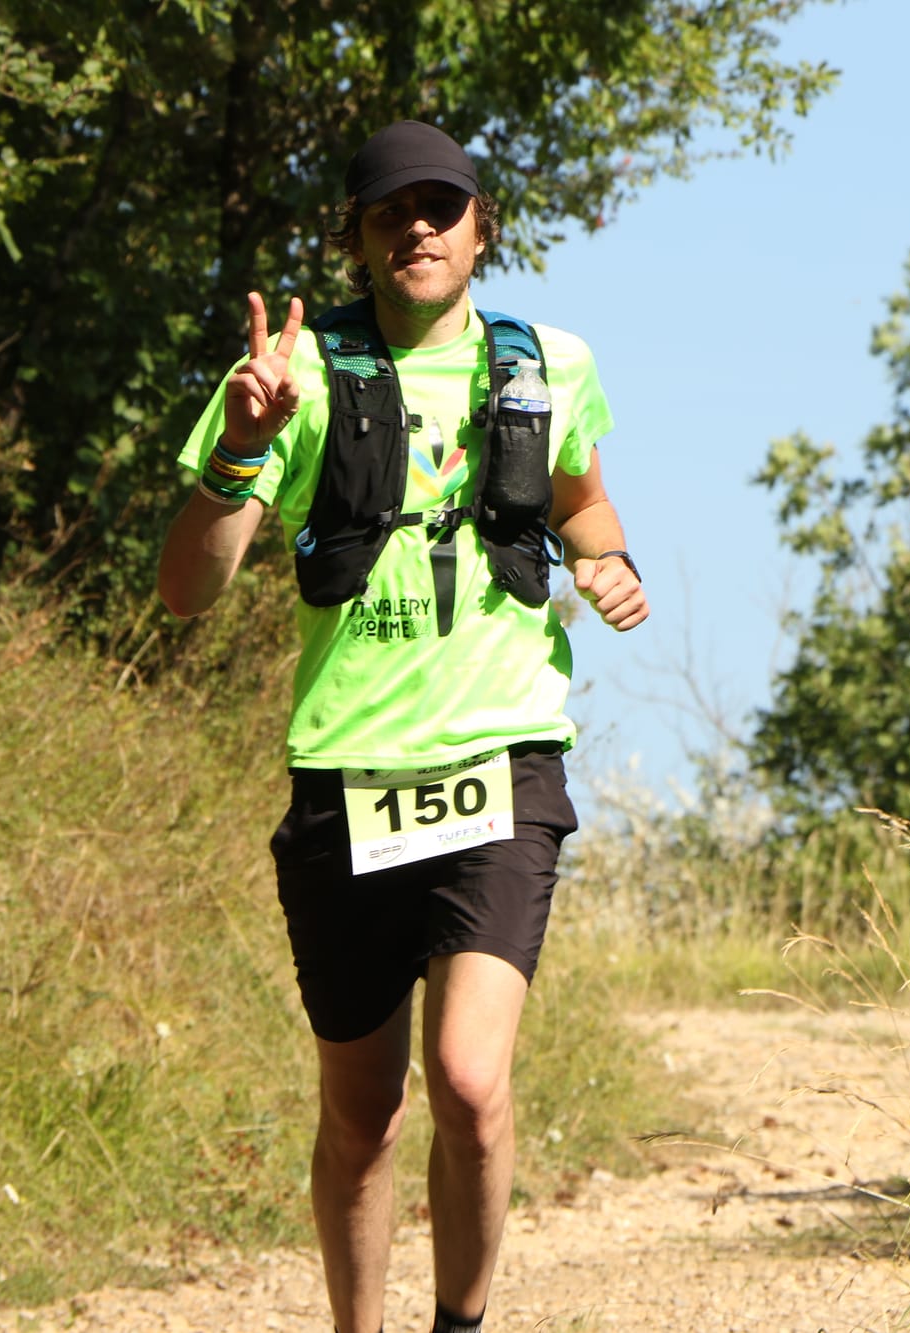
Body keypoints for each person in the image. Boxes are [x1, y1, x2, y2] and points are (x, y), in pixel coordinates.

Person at [155, 119, 648, 1333]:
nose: (416, 227)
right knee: (362, 1113)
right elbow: (186, 589)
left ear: (483, 226)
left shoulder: (550, 364)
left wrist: (610, 563)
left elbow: (579, 497)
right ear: (359, 239)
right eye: (390, 211)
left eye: (441, 206)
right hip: (348, 774)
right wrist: (240, 450)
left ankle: (459, 1325)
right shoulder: (300, 376)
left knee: (472, 1085)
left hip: (502, 759)